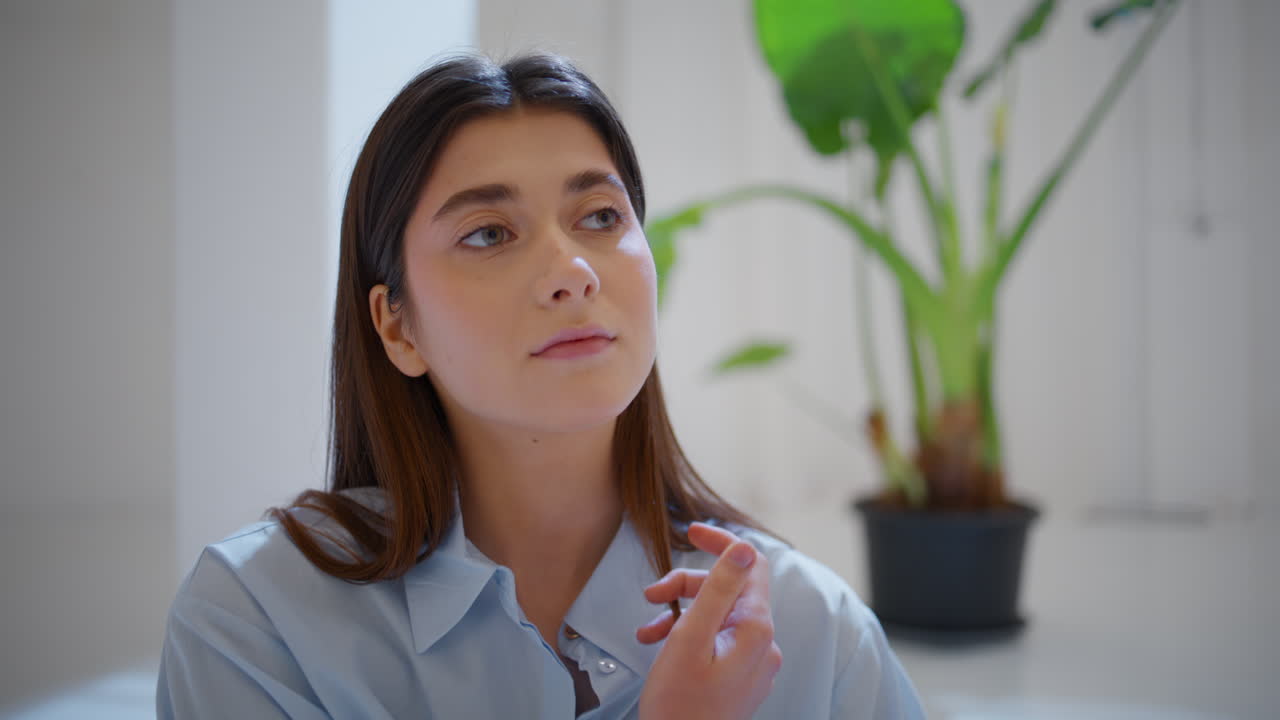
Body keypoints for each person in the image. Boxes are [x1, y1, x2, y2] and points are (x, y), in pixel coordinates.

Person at [155, 52, 925, 719]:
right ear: (397, 328)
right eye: (489, 233)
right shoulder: (260, 624)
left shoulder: (813, 632)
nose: (572, 271)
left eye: (598, 216)